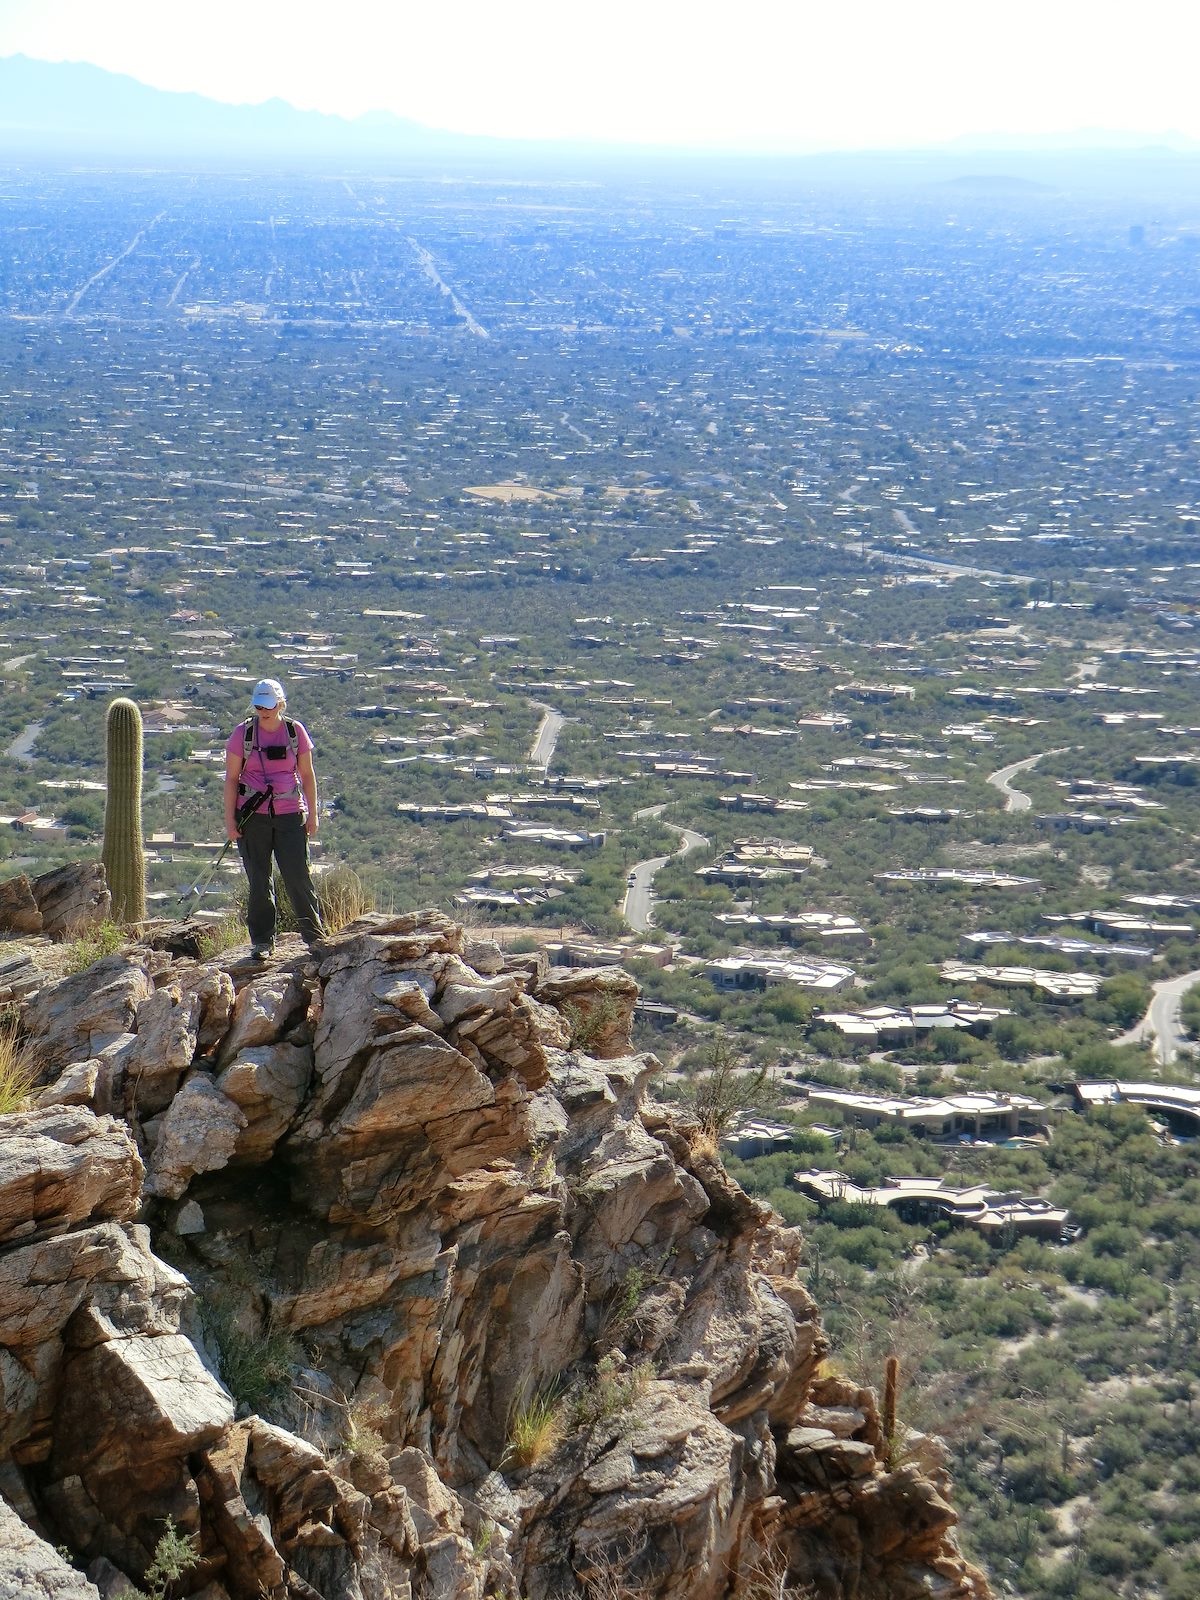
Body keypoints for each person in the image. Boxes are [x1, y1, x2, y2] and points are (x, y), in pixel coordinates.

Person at [224, 677, 323, 959]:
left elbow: (307, 776)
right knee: (258, 878)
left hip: (290, 814)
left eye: (268, 705)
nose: (263, 711)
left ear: (280, 704)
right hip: (252, 816)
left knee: (297, 876)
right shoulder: (241, 734)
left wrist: (313, 814)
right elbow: (232, 779)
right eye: (258, 706)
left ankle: (314, 938)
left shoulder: (295, 732)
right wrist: (231, 822)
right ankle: (263, 942)